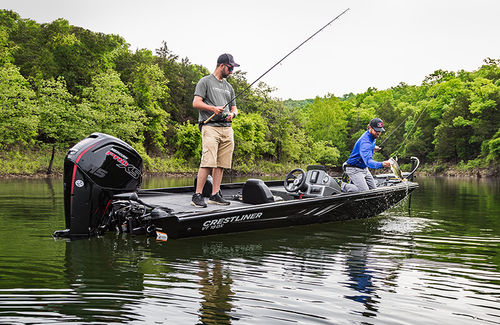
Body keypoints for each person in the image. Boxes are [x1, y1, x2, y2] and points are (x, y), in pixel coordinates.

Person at [191, 53, 240, 208]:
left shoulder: (229, 87)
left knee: (221, 163)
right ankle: (197, 195)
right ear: (221, 65)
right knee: (207, 161)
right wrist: (213, 108)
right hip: (210, 127)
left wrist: (232, 115)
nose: (231, 71)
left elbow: (235, 108)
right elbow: (196, 103)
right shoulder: (205, 81)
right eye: (230, 68)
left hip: (227, 129)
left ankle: (215, 195)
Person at [344, 118, 391, 192]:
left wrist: (372, 148)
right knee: (364, 192)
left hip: (364, 169)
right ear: (369, 127)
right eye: (376, 130)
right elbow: (369, 162)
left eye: (380, 131)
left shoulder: (373, 136)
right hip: (353, 169)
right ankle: (342, 185)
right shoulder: (365, 142)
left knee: (374, 191)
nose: (378, 133)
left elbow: (365, 148)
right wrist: (382, 164)